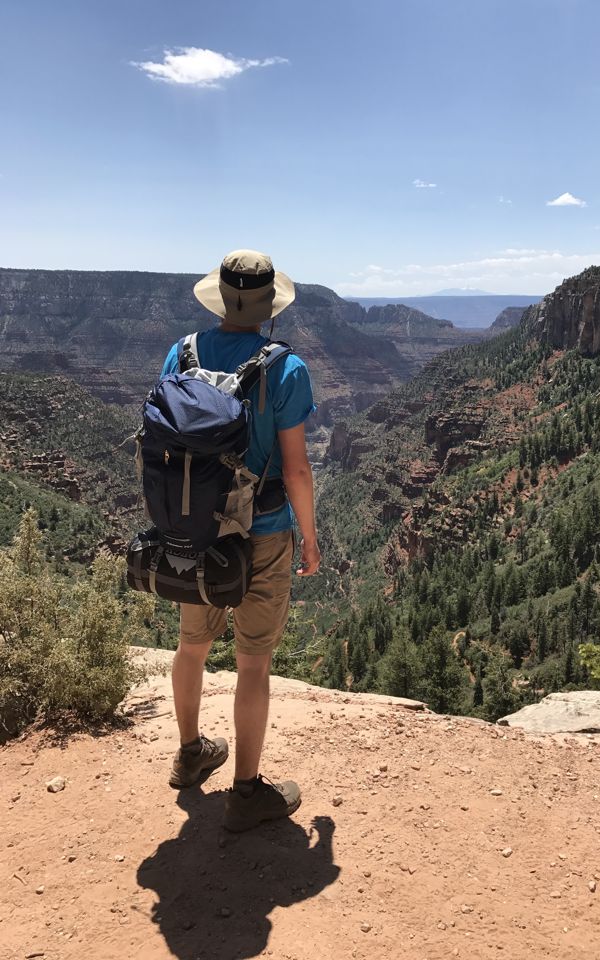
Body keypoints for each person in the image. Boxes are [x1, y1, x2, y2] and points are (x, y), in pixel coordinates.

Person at [161, 249, 321, 832]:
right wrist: (309, 539)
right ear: (268, 307)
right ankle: (247, 794)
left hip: (195, 531)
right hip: (265, 531)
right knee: (253, 663)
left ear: (221, 299)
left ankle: (189, 752)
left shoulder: (181, 353)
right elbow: (298, 469)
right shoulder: (286, 367)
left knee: (191, 647)